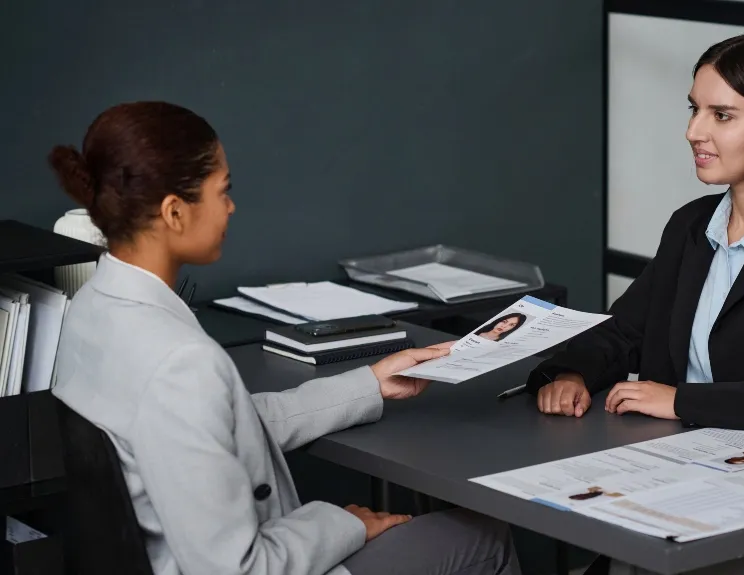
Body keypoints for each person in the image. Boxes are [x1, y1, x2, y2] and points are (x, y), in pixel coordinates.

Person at [49, 101, 521, 575]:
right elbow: (239, 569)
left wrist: (371, 383)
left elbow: (219, 427)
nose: (231, 207)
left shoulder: (90, 311)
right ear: (174, 212)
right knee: (485, 538)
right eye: (223, 191)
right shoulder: (180, 361)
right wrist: (339, 522)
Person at [528, 32, 744, 438]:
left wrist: (682, 401)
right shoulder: (691, 227)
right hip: (681, 455)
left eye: (721, 115)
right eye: (694, 109)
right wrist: (573, 374)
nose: (693, 131)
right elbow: (625, 330)